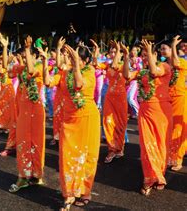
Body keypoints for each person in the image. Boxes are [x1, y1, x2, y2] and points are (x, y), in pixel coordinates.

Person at [45, 41, 101, 209]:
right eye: (69, 57)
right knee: (67, 157)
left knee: (87, 157)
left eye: (72, 57)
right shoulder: (65, 73)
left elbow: (79, 84)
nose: (68, 59)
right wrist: (43, 63)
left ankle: (85, 191)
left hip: (87, 118)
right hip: (69, 120)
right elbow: (48, 82)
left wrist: (75, 64)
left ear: (83, 61)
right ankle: (69, 192)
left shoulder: (90, 71)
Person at [121, 40, 172, 196]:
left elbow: (155, 72)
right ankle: (149, 178)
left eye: (147, 55)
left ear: (154, 54)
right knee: (147, 144)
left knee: (161, 143)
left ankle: (159, 175)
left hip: (161, 111)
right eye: (142, 56)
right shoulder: (141, 72)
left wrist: (150, 52)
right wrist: (125, 56)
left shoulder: (165, 67)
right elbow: (126, 75)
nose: (144, 59)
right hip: (145, 111)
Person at [8, 36, 46, 193]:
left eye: (26, 55)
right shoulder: (21, 69)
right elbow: (8, 71)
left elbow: (31, 70)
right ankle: (23, 176)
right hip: (24, 109)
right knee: (24, 141)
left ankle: (36, 174)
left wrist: (28, 49)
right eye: (23, 55)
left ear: (34, 56)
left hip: (36, 110)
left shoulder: (41, 68)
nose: (23, 57)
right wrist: (5, 48)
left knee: (36, 142)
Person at [160, 35, 186, 172]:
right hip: (167, 99)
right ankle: (170, 156)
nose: (162, 51)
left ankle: (178, 158)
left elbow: (176, 64)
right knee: (168, 129)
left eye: (165, 48)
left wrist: (175, 46)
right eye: (161, 49)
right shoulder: (164, 65)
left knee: (178, 129)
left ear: (171, 49)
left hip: (180, 98)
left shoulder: (181, 61)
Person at [100, 41, 128, 163]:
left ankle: (119, 147)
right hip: (109, 97)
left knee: (120, 123)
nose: (113, 53)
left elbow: (118, 67)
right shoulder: (107, 65)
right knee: (108, 122)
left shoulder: (124, 65)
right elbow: (97, 64)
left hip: (121, 98)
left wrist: (119, 51)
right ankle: (111, 149)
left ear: (122, 54)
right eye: (111, 51)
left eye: (116, 51)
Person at [0, 34, 17, 157]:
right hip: (9, 92)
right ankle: (10, 145)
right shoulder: (10, 68)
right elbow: (4, 65)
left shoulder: (34, 68)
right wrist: (5, 47)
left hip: (15, 93)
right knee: (0, 108)